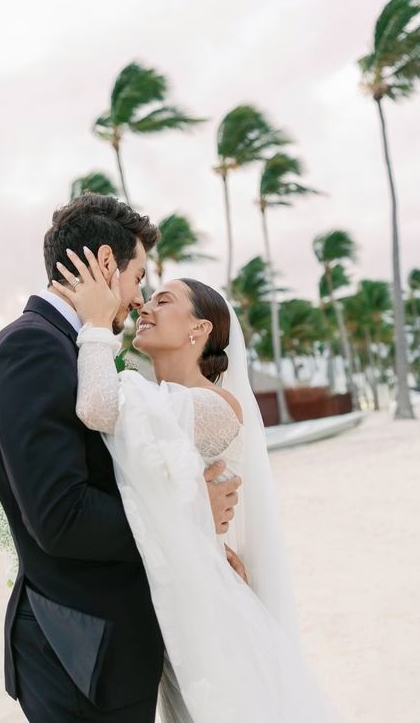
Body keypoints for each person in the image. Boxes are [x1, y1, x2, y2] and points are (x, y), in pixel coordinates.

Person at [0, 194, 242, 723]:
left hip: (101, 646)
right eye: (138, 276)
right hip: (79, 648)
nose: (139, 298)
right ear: (104, 263)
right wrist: (189, 515)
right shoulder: (32, 348)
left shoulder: (69, 349)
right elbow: (62, 517)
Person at [52, 246, 339, 723]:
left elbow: (97, 406)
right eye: (149, 298)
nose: (144, 306)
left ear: (199, 329)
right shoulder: (154, 398)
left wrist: (97, 325)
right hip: (178, 601)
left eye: (163, 301)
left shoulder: (213, 408)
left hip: (208, 607)